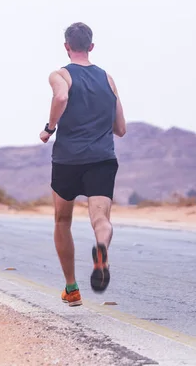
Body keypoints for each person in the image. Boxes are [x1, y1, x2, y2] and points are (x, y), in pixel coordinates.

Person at [39, 22, 126, 307]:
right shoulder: (107, 79)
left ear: (66, 46)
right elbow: (121, 129)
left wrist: (49, 128)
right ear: (91, 46)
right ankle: (102, 248)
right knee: (101, 220)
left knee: (62, 221)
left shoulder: (60, 74)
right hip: (102, 158)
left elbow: (61, 96)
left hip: (67, 160)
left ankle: (72, 289)